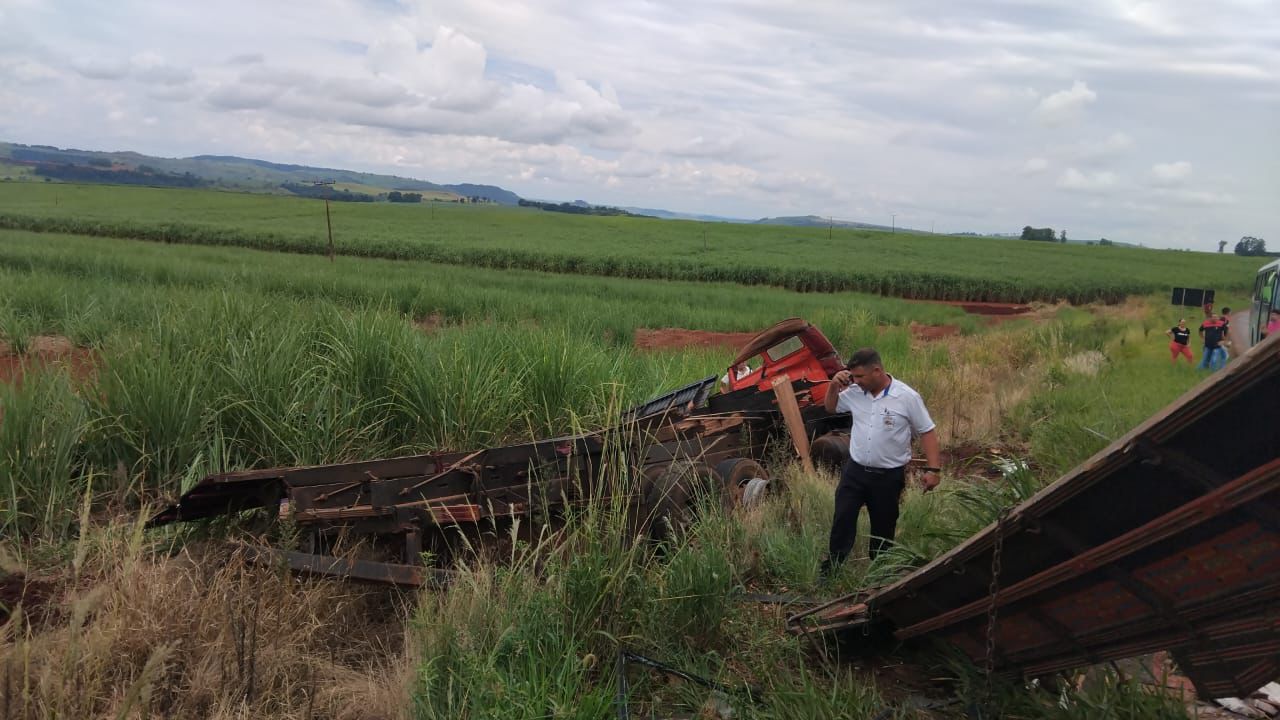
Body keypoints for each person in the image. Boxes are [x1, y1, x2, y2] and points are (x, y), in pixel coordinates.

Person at [820, 348, 941, 575]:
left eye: (859, 377)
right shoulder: (856, 393)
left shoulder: (906, 397)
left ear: (877, 371)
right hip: (854, 471)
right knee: (843, 518)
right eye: (852, 376)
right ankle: (832, 569)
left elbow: (927, 431)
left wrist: (933, 469)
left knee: (883, 526)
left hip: (887, 476)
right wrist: (833, 385)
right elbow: (831, 407)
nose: (855, 382)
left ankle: (880, 573)